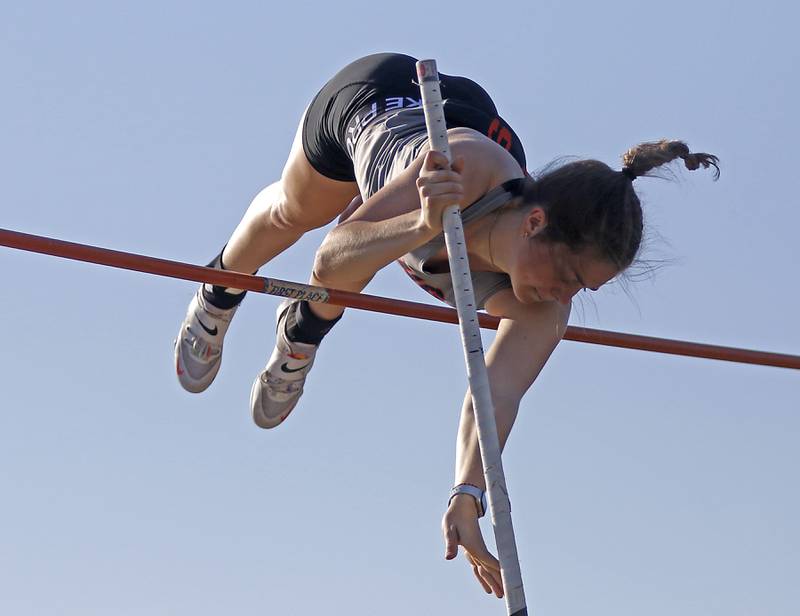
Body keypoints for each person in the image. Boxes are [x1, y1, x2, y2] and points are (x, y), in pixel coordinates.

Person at [173, 52, 719, 599]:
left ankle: (301, 329)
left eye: (582, 289)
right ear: (535, 223)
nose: (563, 296)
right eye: (568, 275)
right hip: (369, 103)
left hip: (462, 132)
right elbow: (330, 257)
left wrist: (467, 492)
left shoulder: (542, 307)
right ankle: (225, 291)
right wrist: (421, 223)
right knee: (296, 213)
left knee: (352, 268)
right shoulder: (465, 170)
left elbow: (497, 394)